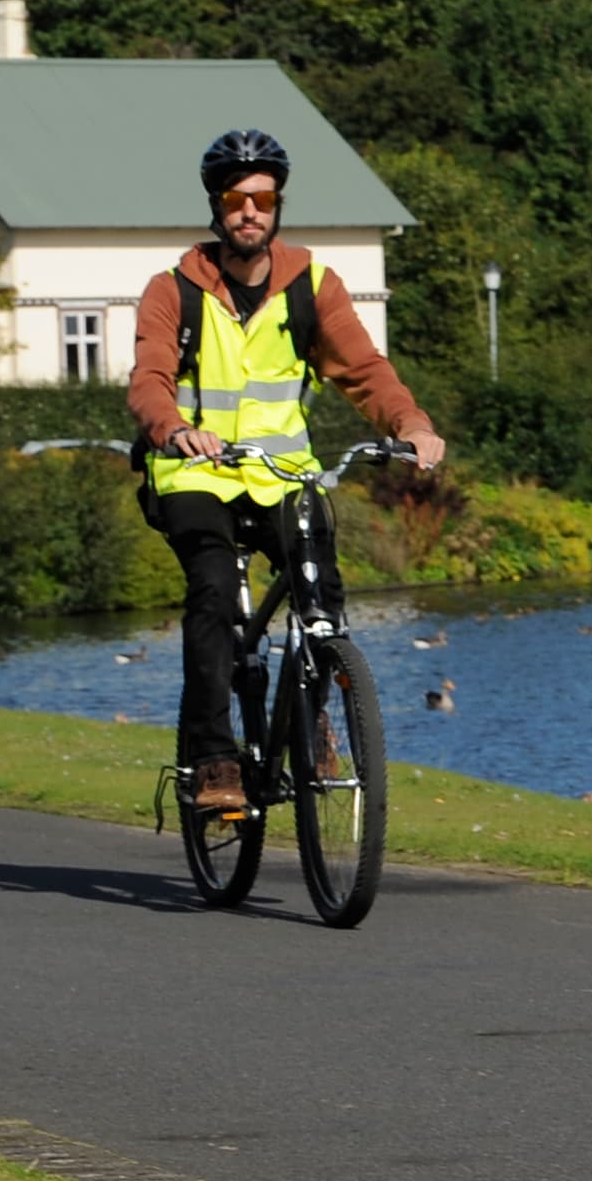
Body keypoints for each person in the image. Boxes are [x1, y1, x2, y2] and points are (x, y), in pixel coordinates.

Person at [128, 130, 446, 821]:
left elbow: (366, 370)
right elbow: (150, 379)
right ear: (217, 205)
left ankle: (313, 725)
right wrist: (174, 429)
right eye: (237, 197)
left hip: (284, 477)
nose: (250, 210)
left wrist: (411, 425)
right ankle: (214, 756)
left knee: (320, 595)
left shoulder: (312, 286)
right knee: (214, 593)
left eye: (263, 196)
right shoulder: (172, 291)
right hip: (194, 477)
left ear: (277, 204)